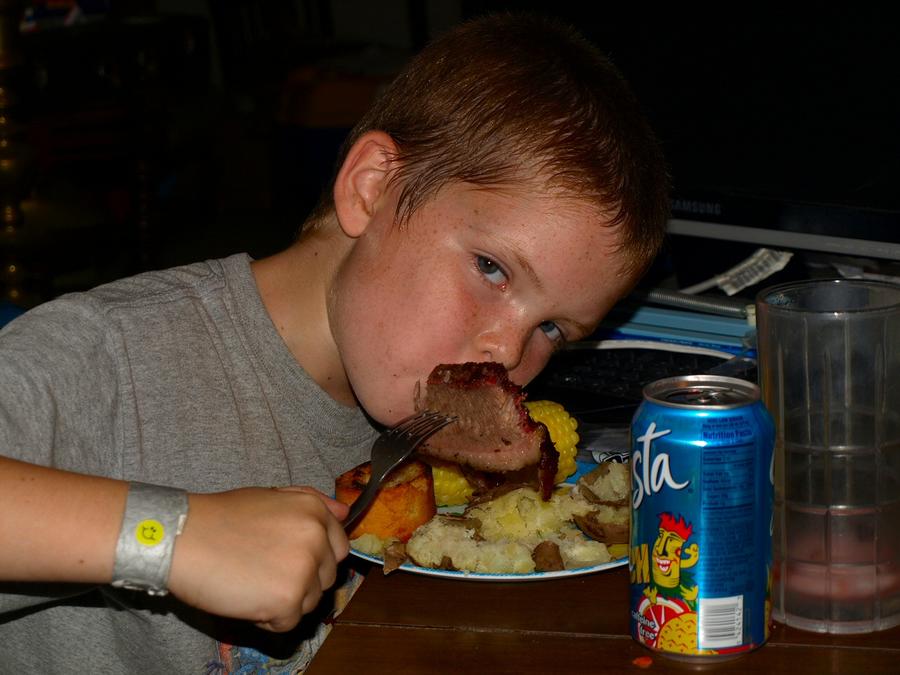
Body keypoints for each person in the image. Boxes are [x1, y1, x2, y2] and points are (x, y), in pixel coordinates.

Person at [0, 11, 668, 674]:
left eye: (551, 328)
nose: (508, 353)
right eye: (491, 268)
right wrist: (172, 536)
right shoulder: (117, 359)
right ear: (371, 187)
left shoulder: (420, 413)